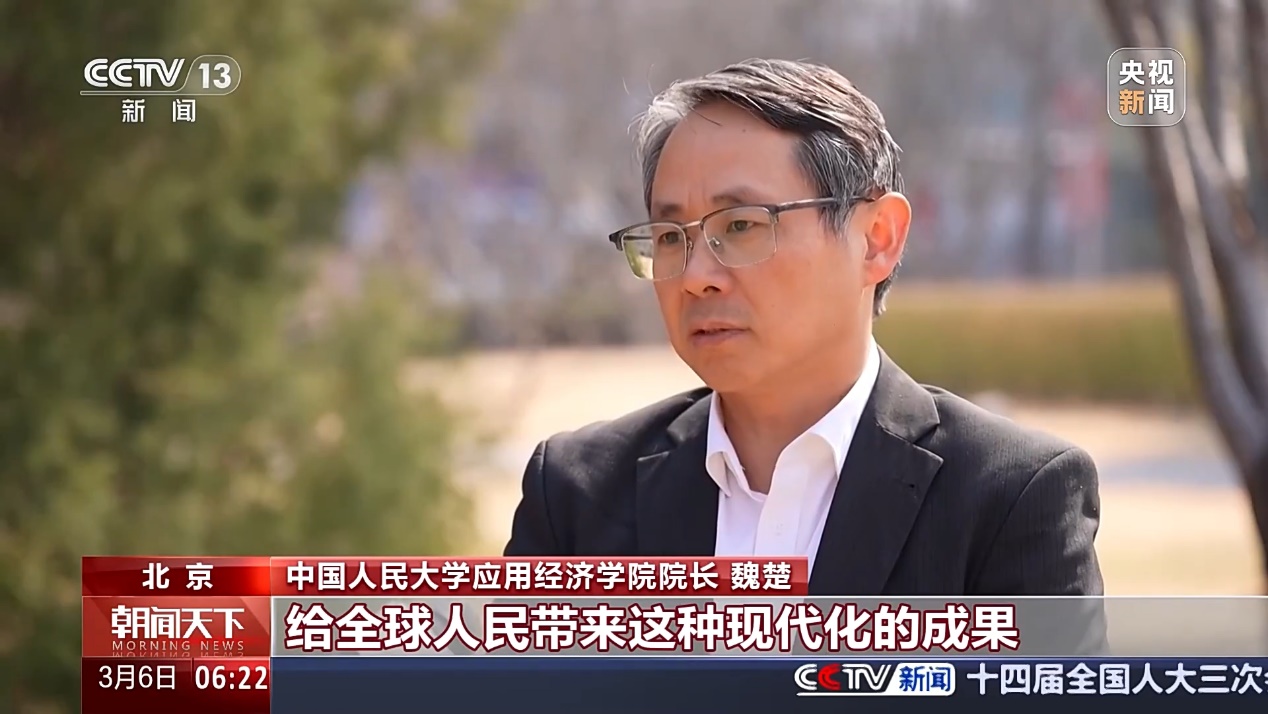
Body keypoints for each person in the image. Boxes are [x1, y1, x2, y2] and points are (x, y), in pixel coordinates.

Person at [504, 58, 1103, 597]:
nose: (695, 278)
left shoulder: (1009, 499)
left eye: (740, 226)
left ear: (877, 239)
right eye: (669, 237)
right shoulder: (576, 496)